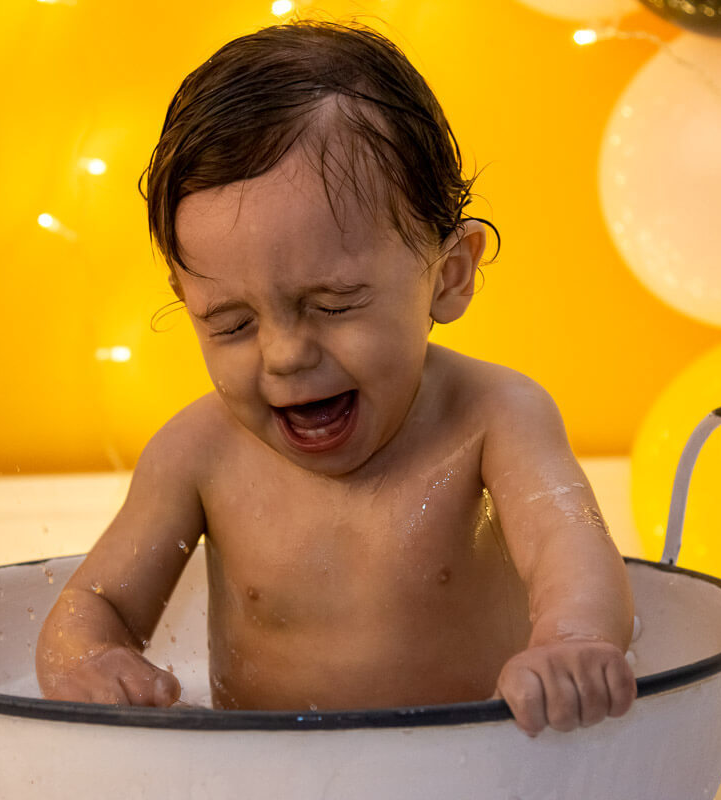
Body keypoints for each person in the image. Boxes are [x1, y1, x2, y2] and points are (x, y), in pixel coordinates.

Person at [36, 19, 636, 736]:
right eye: (231, 323)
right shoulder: (198, 454)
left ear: (449, 276)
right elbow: (96, 604)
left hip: (472, 773)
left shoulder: (494, 418)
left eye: (333, 305)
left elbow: (570, 548)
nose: (285, 354)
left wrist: (570, 642)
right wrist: (88, 659)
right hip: (263, 781)